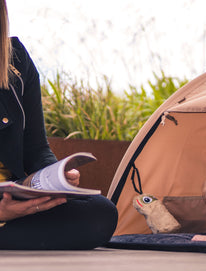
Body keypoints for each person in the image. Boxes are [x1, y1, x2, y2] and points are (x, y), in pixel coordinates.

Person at [0, 0, 117, 249]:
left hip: (11, 198)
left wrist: (55, 176)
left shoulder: (16, 60)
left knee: (99, 214)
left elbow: (36, 149)